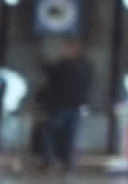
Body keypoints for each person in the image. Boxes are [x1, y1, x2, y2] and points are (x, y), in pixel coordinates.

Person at [37, 41, 91, 174]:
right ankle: (54, 160)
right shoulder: (62, 66)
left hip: (70, 106)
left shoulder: (81, 66)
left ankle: (62, 161)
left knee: (66, 136)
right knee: (56, 134)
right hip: (60, 106)